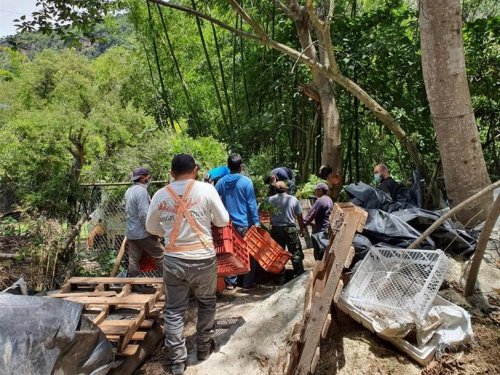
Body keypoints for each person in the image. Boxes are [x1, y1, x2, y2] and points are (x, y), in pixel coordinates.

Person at [146, 154, 229, 375]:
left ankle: (177, 361)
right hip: (203, 258)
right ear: (195, 169)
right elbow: (223, 221)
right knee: (207, 302)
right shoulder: (207, 190)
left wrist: (170, 230)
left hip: (174, 260)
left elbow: (151, 227)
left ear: (171, 173)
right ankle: (203, 348)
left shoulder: (160, 194)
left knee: (174, 311)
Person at [215, 153, 260, 290]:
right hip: (244, 224)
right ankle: (247, 282)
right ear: (241, 166)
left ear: (228, 166)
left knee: (230, 252)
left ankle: (230, 282)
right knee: (249, 252)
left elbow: (215, 201)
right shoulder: (246, 182)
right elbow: (251, 204)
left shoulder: (221, 182)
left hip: (227, 225)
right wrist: (256, 222)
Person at [124, 167, 163, 277]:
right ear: (142, 178)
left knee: (134, 260)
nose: (149, 179)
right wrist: (152, 231)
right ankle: (171, 281)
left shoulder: (129, 191)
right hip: (142, 233)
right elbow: (144, 214)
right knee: (161, 255)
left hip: (131, 233)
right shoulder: (141, 191)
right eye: (148, 177)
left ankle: (133, 284)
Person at [266, 181, 305, 278]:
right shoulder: (293, 199)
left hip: (276, 230)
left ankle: (280, 278)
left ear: (275, 189)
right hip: (290, 229)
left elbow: (263, 214)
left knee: (278, 253)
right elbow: (299, 215)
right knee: (295, 252)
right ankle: (299, 275)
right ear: (286, 189)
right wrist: (302, 228)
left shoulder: (269, 200)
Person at [304, 182, 333, 260]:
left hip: (321, 230)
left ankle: (319, 267)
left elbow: (311, 214)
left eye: (316, 190)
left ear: (320, 190)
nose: (315, 191)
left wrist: (303, 224)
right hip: (327, 228)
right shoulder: (329, 199)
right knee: (325, 249)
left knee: (319, 251)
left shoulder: (320, 201)